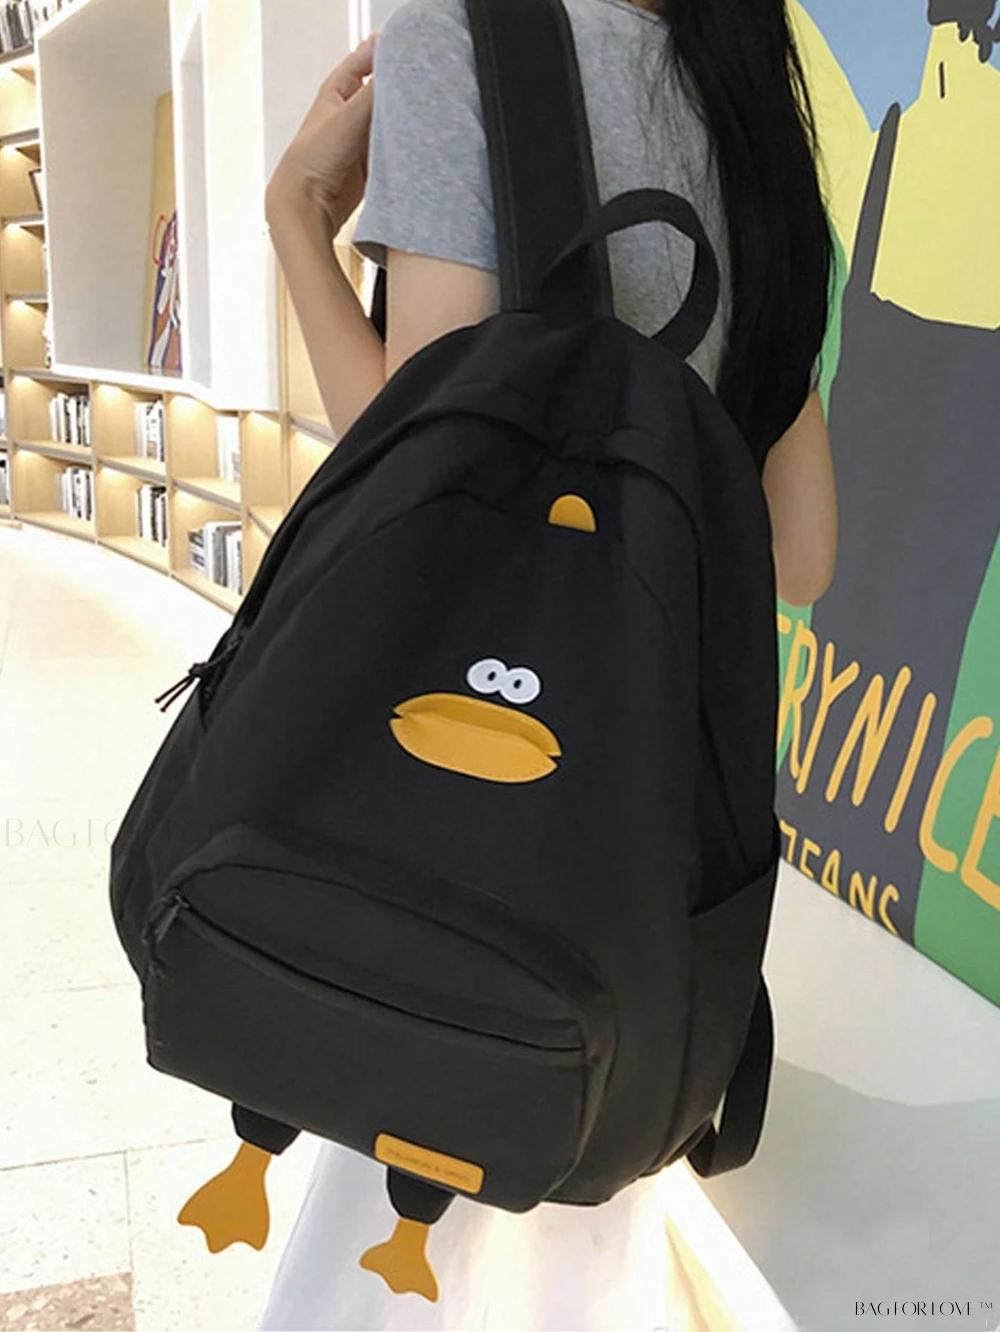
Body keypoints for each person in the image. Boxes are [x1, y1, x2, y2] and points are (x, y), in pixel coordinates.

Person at [260, 0, 835, 1325]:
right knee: (578, 1225)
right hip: (643, 843)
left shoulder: (463, 43)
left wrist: (297, 221)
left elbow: (424, 480)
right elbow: (800, 555)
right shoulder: (750, 101)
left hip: (449, 801)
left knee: (390, 1235)